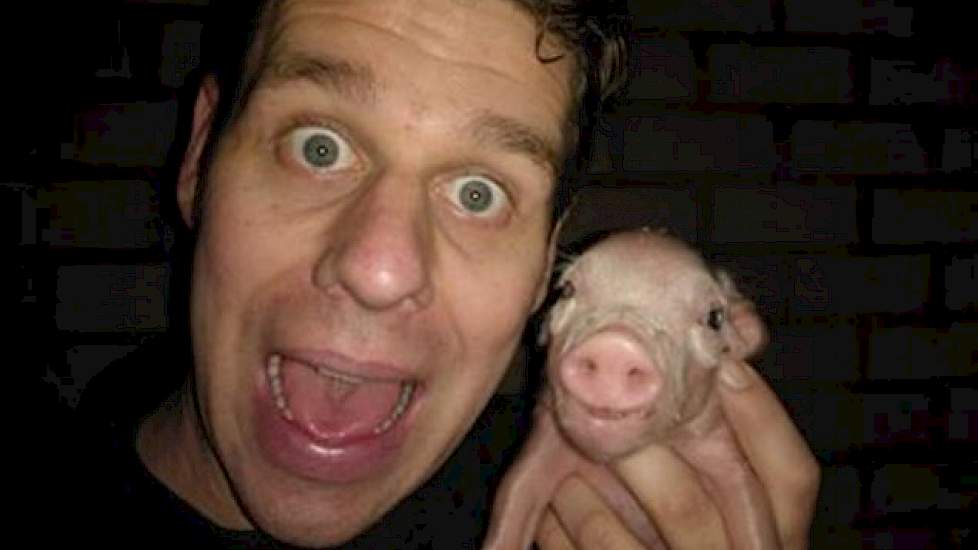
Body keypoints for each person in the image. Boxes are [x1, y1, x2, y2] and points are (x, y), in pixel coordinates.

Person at [73, 0, 820, 548]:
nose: (380, 271)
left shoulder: (581, 511)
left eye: (478, 194)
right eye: (319, 148)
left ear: (544, 268)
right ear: (200, 158)